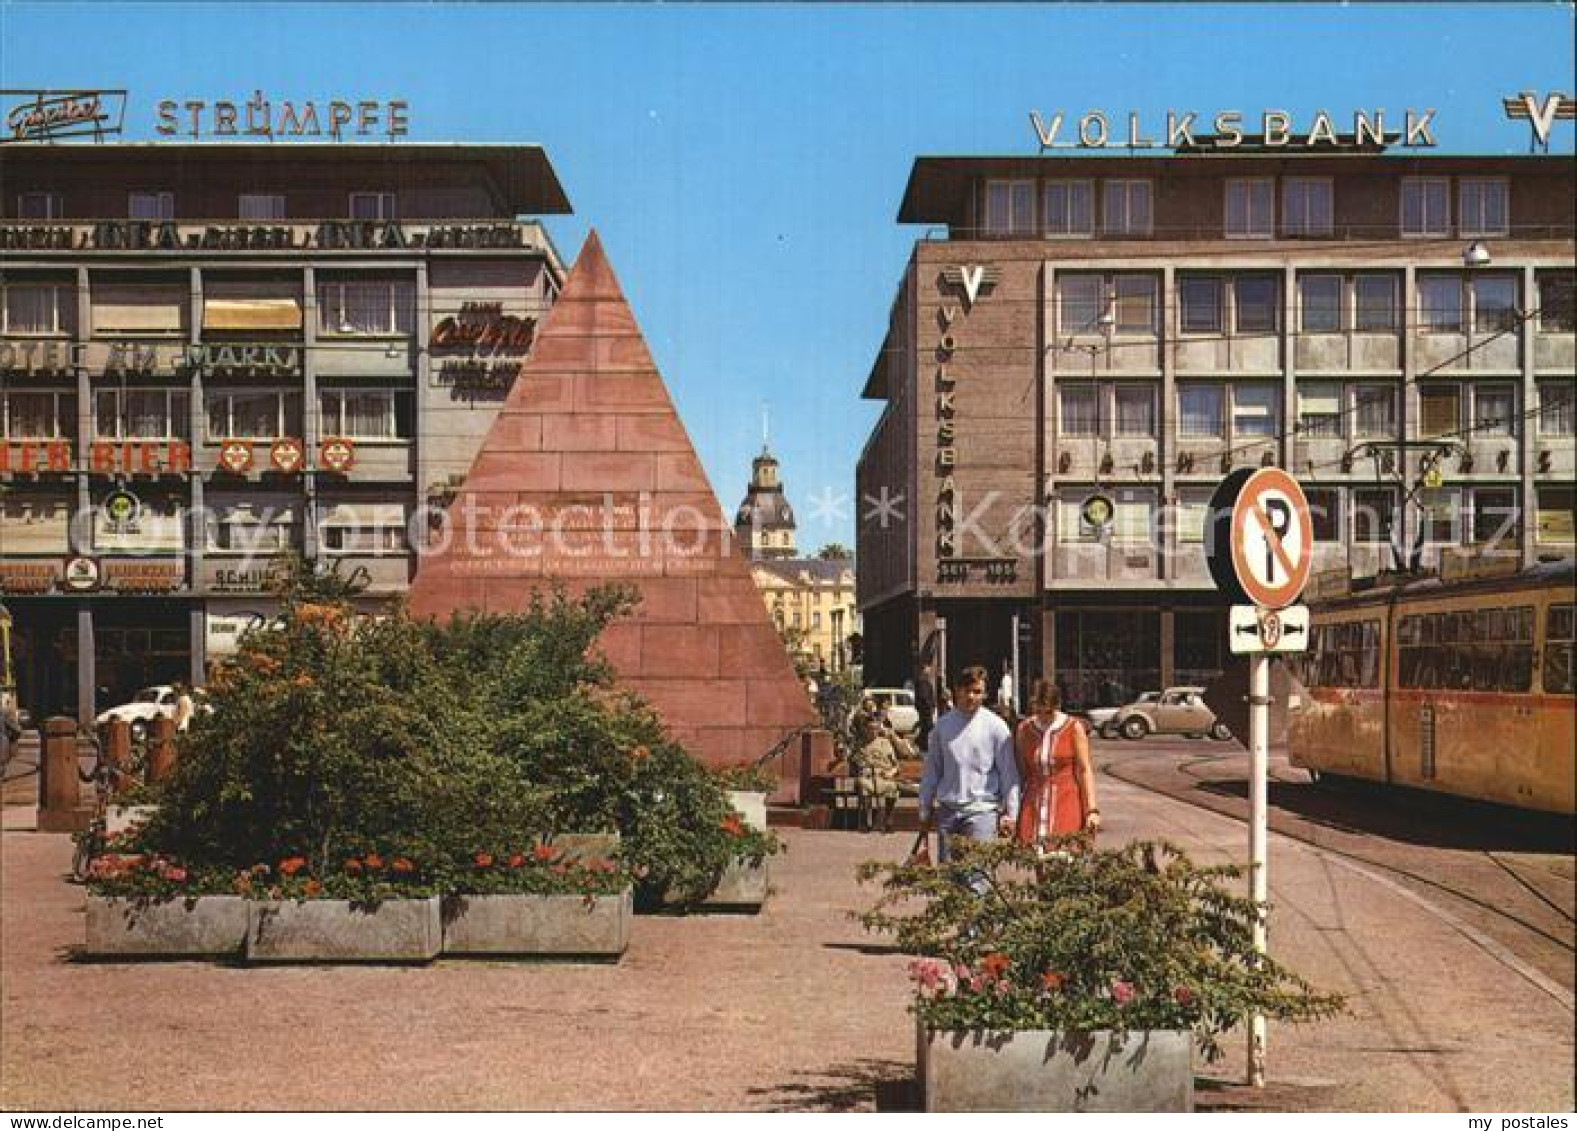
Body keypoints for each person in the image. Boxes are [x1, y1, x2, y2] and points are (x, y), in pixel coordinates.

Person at [919, 665, 1019, 863]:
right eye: (967, 691)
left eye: (977, 692)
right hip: (948, 811)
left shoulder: (996, 727)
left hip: (982, 812)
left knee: (977, 881)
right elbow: (933, 770)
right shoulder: (943, 726)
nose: (971, 696)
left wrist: (1011, 813)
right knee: (949, 883)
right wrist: (925, 805)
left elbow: (1008, 773)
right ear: (957, 690)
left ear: (985, 693)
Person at [1014, 678, 1100, 849]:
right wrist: (1011, 810)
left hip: (1067, 800)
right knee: (1037, 858)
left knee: (1064, 857)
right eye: (1038, 710)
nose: (1043, 716)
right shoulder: (1024, 729)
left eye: (1048, 712)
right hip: (1034, 803)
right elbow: (1021, 773)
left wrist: (1091, 810)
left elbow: (1084, 770)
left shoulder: (1073, 727)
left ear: (1057, 706)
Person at [850, 716, 902, 833]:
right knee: (863, 786)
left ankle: (888, 821)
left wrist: (890, 773)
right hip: (866, 777)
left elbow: (896, 765)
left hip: (883, 776)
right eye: (870, 728)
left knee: (892, 787)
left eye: (875, 728)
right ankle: (867, 822)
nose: (873, 731)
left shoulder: (885, 743)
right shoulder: (859, 744)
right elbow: (852, 764)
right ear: (865, 729)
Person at [914, 662, 937, 747]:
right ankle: (922, 744)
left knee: (926, 728)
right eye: (927, 670)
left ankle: (921, 743)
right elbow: (923, 696)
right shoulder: (922, 682)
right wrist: (929, 706)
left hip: (927, 709)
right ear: (923, 671)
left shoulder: (927, 682)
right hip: (925, 709)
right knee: (927, 727)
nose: (929, 672)